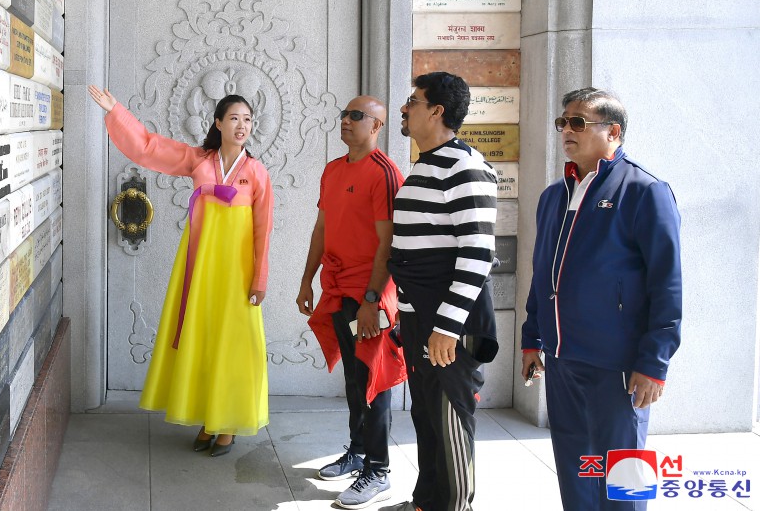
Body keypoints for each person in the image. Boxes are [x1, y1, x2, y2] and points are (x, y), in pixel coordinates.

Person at [88, 85, 274, 457]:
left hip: (236, 271)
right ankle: (207, 416)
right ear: (218, 122)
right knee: (201, 337)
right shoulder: (199, 161)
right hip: (199, 266)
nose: (241, 126)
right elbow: (149, 147)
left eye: (248, 120)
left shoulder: (256, 173)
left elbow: (262, 229)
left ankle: (227, 424)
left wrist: (259, 278)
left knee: (232, 343)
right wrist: (115, 111)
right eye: (234, 118)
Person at [520, 87, 682, 510]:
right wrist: (533, 337)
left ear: (613, 131)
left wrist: (654, 363)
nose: (566, 131)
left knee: (622, 474)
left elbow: (667, 285)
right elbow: (543, 273)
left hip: (618, 364)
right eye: (563, 122)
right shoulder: (554, 195)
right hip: (562, 359)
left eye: (578, 122)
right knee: (576, 468)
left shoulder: (645, 192)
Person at [386, 72, 499, 511]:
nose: (404, 108)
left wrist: (447, 329)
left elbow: (476, 255)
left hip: (450, 323)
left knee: (451, 420)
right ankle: (425, 503)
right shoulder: (427, 165)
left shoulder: (465, 166)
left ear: (437, 111)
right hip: (420, 319)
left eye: (412, 101)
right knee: (426, 418)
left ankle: (454, 506)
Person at [295, 96, 406, 510]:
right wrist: (307, 280)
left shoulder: (384, 173)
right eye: (344, 114)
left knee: (373, 380)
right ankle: (358, 451)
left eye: (357, 116)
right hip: (339, 287)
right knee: (354, 380)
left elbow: (388, 243)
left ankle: (378, 470)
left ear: (377, 126)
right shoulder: (333, 169)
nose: (346, 120)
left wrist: (373, 300)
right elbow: (321, 227)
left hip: (370, 295)